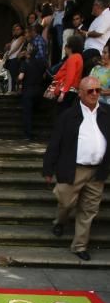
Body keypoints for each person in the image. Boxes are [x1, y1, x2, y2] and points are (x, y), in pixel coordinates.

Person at [43, 76, 110, 261]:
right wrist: (48, 169)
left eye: (98, 90)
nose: (95, 94)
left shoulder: (106, 113)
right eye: (90, 91)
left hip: (97, 171)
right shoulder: (68, 116)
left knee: (89, 210)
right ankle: (60, 221)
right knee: (65, 202)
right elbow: (55, 143)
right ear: (80, 93)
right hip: (73, 168)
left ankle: (80, 245)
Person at [18, 45, 46, 140]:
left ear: (28, 53)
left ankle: (28, 134)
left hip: (28, 90)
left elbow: (21, 76)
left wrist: (18, 81)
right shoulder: (42, 63)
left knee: (27, 113)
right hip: (38, 90)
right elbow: (45, 75)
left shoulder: (25, 63)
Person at [53, 35, 84, 112]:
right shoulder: (79, 57)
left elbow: (70, 76)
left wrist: (63, 93)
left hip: (67, 91)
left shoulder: (72, 58)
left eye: (67, 45)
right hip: (72, 90)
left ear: (71, 47)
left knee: (61, 114)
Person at [82, 0, 110, 74]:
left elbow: (99, 32)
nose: (92, 7)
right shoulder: (101, 16)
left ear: (98, 5)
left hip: (95, 50)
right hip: (90, 49)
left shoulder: (107, 16)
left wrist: (86, 34)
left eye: (94, 4)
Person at [4, 24, 25, 91]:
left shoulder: (22, 38)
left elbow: (16, 48)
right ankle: (10, 90)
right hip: (10, 59)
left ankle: (13, 90)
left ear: (21, 30)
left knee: (13, 76)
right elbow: (8, 48)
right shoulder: (13, 39)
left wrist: (9, 54)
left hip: (15, 59)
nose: (16, 31)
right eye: (15, 30)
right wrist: (7, 47)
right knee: (10, 76)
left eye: (18, 29)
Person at [90, 42, 110, 106]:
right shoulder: (95, 68)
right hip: (91, 103)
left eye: (105, 53)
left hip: (106, 105)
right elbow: (87, 83)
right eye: (102, 52)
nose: (102, 55)